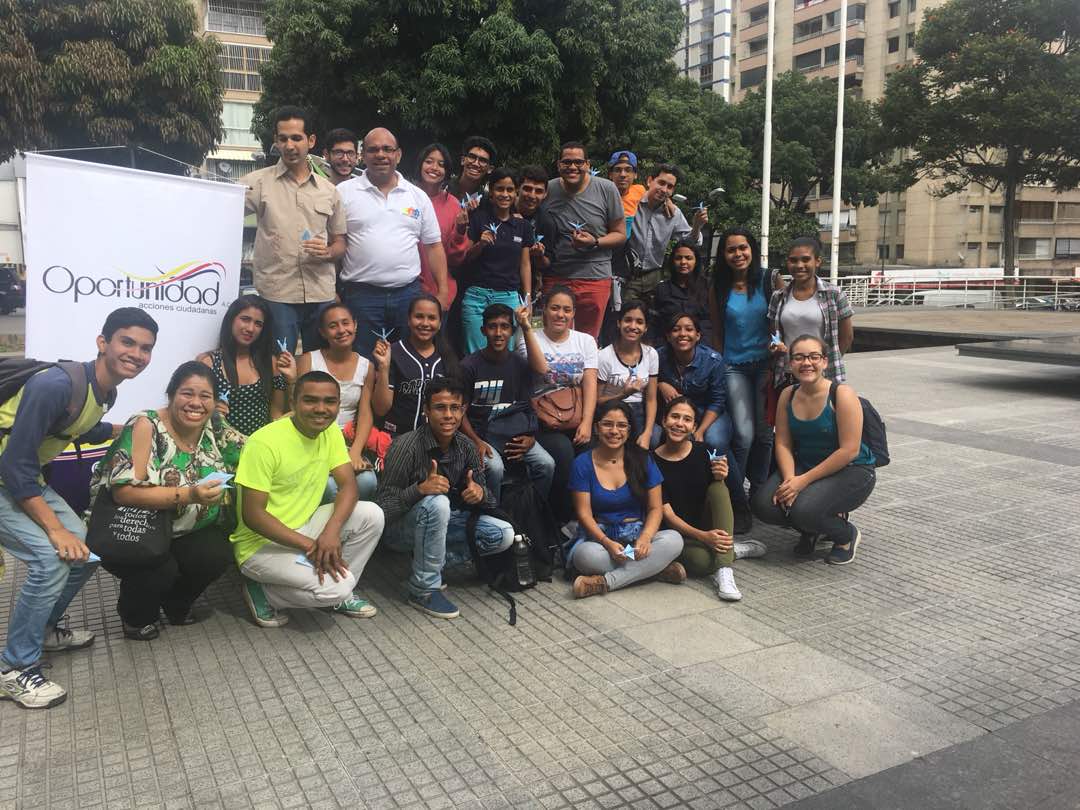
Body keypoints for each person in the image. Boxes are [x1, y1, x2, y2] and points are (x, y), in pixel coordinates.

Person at [0, 307, 157, 708]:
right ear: (103, 342)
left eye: (145, 348)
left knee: (86, 553)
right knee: (52, 558)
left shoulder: (106, 391)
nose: (136, 354)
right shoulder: (55, 385)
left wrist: (136, 426)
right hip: (11, 477)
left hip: (22, 479)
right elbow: (15, 464)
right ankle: (14, 668)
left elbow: (79, 427)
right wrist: (55, 530)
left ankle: (44, 630)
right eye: (127, 342)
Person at [89, 361, 245, 640]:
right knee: (160, 569)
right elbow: (124, 493)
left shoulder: (215, 424)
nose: (196, 403)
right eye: (187, 393)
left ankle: (176, 603)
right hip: (135, 528)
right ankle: (136, 617)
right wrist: (190, 494)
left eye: (205, 396)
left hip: (184, 529)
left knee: (217, 553)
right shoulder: (146, 424)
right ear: (171, 395)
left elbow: (252, 448)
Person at [231, 371, 385, 627]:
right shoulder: (264, 442)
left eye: (329, 401)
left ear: (339, 404)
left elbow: (349, 487)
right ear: (293, 402)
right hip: (260, 547)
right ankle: (264, 592)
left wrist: (331, 532)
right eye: (310, 400)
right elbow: (253, 515)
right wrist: (311, 545)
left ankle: (339, 592)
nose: (321, 409)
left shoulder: (330, 432)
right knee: (338, 587)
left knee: (372, 515)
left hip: (304, 526)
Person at [377, 376, 513, 620]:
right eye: (440, 408)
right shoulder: (405, 446)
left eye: (455, 408)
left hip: (442, 523)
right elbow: (381, 509)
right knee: (437, 503)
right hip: (399, 531)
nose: (448, 415)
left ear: (463, 411)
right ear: (427, 411)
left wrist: (480, 494)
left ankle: (426, 563)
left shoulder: (467, 446)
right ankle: (423, 589)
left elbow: (490, 501)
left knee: (503, 534)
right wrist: (419, 490)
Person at [752, 335, 875, 565]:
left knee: (804, 510)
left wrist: (802, 482)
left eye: (814, 357)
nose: (806, 363)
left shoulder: (841, 394)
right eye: (799, 357)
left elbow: (849, 450)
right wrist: (790, 480)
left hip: (851, 469)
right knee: (765, 505)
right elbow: (783, 443)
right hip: (806, 464)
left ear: (825, 362)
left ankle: (845, 535)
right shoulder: (788, 394)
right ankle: (811, 528)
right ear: (790, 363)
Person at [242, 105, 346, 353]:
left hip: (320, 293)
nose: (289, 145)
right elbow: (219, 213)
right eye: (283, 138)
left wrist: (328, 252)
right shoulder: (256, 183)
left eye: (297, 138)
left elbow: (340, 242)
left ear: (311, 141)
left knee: (319, 365)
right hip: (277, 294)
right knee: (279, 364)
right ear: (276, 141)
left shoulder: (329, 191)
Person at [338, 127, 450, 358]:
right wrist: (333, 292)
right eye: (373, 150)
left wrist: (443, 292)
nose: (381, 155)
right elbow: (334, 244)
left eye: (387, 149)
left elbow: (433, 246)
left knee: (407, 360)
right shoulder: (343, 193)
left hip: (407, 296)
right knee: (364, 361)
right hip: (361, 297)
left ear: (398, 155)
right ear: (363, 155)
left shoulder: (417, 196)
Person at [567, 401, 685, 599]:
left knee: (674, 540)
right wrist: (606, 543)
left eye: (621, 425)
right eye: (607, 424)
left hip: (636, 538)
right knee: (585, 556)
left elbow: (655, 508)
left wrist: (646, 537)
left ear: (629, 431)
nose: (614, 431)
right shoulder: (582, 464)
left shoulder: (643, 459)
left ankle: (605, 582)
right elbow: (584, 513)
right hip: (601, 539)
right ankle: (654, 569)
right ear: (596, 428)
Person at [709, 227, 785, 534]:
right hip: (734, 366)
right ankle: (736, 495)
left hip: (765, 365)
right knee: (743, 434)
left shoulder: (769, 280)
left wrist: (779, 353)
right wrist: (718, 363)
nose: (738, 254)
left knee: (765, 435)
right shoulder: (719, 286)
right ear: (723, 255)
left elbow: (782, 320)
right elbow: (716, 330)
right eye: (731, 249)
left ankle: (759, 492)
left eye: (743, 248)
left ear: (752, 249)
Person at [653, 397, 766, 602]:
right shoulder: (651, 461)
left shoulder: (704, 451)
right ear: (663, 420)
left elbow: (717, 499)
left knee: (718, 488)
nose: (679, 423)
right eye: (674, 417)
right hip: (676, 535)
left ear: (694, 427)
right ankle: (731, 550)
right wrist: (703, 537)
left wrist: (721, 475)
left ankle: (724, 570)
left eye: (687, 419)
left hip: (705, 523)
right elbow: (667, 515)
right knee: (702, 563)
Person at [515, 286, 598, 522]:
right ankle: (560, 519)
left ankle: (587, 517)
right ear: (544, 310)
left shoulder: (585, 341)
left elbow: (590, 383)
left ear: (573, 314)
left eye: (567, 310)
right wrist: (527, 328)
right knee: (563, 452)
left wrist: (587, 423)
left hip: (576, 414)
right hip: (543, 420)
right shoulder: (528, 338)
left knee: (590, 452)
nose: (560, 314)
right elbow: (541, 369)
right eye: (555, 308)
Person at [459, 304, 555, 500]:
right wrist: (475, 441)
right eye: (492, 327)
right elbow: (459, 411)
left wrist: (531, 437)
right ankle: (492, 513)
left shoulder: (519, 363)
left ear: (512, 331)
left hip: (512, 433)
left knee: (546, 464)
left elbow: (528, 406)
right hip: (480, 434)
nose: (498, 333)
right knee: (495, 468)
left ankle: (533, 511)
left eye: (504, 326)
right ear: (483, 330)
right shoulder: (469, 366)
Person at [538, 141, 626, 339]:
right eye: (566, 162)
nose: (572, 167)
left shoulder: (606, 188)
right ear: (558, 164)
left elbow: (620, 234)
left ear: (587, 164)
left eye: (578, 162)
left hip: (594, 276)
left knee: (587, 339)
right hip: (557, 275)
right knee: (553, 338)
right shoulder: (548, 189)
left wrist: (595, 242)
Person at [296, 303, 378, 501]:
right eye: (333, 326)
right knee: (329, 487)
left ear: (355, 325)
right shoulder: (308, 360)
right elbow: (298, 407)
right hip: (313, 439)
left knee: (368, 482)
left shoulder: (367, 366)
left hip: (348, 442)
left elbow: (365, 413)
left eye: (345, 323)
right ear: (323, 332)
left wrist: (355, 452)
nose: (341, 330)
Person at [197, 294, 295, 438]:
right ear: (231, 320)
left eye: (258, 324)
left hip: (260, 444)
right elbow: (195, 408)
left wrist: (291, 380)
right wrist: (212, 410)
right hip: (220, 444)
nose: (251, 328)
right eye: (245, 319)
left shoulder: (270, 362)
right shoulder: (208, 362)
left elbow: (277, 415)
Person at [459, 168, 534, 353]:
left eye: (510, 190)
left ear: (516, 193)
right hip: (477, 296)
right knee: (475, 353)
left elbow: (525, 264)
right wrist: (481, 244)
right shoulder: (478, 219)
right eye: (500, 189)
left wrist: (527, 299)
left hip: (508, 296)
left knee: (505, 352)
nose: (505, 194)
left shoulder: (523, 226)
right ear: (491, 192)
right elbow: (466, 257)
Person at [768, 236, 854, 391]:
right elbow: (774, 335)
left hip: (823, 375)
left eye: (806, 259)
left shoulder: (834, 294)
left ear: (817, 261)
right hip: (788, 374)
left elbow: (846, 337)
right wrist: (775, 346)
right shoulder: (778, 296)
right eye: (793, 260)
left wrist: (824, 363)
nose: (799, 265)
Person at [372, 294, 460, 440]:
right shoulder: (393, 353)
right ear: (408, 319)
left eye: (432, 318)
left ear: (440, 323)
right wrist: (383, 367)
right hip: (396, 438)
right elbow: (381, 409)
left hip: (436, 440)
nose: (425, 323)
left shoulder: (447, 357)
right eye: (419, 316)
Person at [626, 164, 705, 311]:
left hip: (654, 278)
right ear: (650, 181)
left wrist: (696, 226)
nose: (664, 189)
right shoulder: (632, 201)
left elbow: (689, 243)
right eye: (661, 183)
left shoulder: (674, 213)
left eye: (670, 187)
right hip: (627, 276)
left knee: (654, 319)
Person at [656, 313, 732, 463]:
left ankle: (731, 478)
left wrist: (700, 430)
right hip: (674, 415)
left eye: (689, 329)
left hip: (707, 412)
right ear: (668, 336)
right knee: (655, 438)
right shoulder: (658, 357)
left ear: (698, 335)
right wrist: (660, 384)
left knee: (714, 441)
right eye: (676, 330)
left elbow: (717, 401)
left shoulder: (712, 361)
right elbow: (644, 382)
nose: (682, 334)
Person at [414, 143, 470, 306]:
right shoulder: (405, 196)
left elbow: (455, 259)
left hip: (438, 294)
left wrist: (460, 231)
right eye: (429, 161)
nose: (434, 168)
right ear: (420, 164)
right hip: (403, 291)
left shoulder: (454, 205)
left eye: (441, 164)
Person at [596, 300, 658, 448]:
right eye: (628, 320)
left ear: (646, 327)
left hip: (639, 411)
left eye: (639, 322)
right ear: (619, 323)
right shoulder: (604, 356)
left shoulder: (651, 354)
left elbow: (651, 399)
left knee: (654, 438)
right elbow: (597, 401)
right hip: (611, 411)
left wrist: (647, 433)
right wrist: (623, 394)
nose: (633, 326)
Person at [653, 238, 712, 344]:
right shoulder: (662, 289)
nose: (683, 262)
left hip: (702, 345)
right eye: (678, 258)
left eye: (688, 258)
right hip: (669, 345)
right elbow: (656, 325)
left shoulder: (708, 287)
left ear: (696, 261)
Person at [517, 165, 552, 298]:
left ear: (545, 194)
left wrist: (538, 255)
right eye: (527, 189)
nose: (532, 195)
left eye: (538, 191)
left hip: (525, 287)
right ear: (518, 188)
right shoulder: (503, 209)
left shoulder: (547, 222)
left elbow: (547, 263)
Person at [607, 150, 646, 237]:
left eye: (628, 170)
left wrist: (667, 201)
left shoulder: (640, 190)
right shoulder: (603, 194)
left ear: (635, 174)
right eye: (618, 170)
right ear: (610, 175)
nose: (623, 174)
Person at [450, 135, 496, 201]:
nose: (476, 164)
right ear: (463, 160)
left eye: (482, 160)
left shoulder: (487, 201)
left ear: (490, 169)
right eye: (472, 157)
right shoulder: (442, 187)